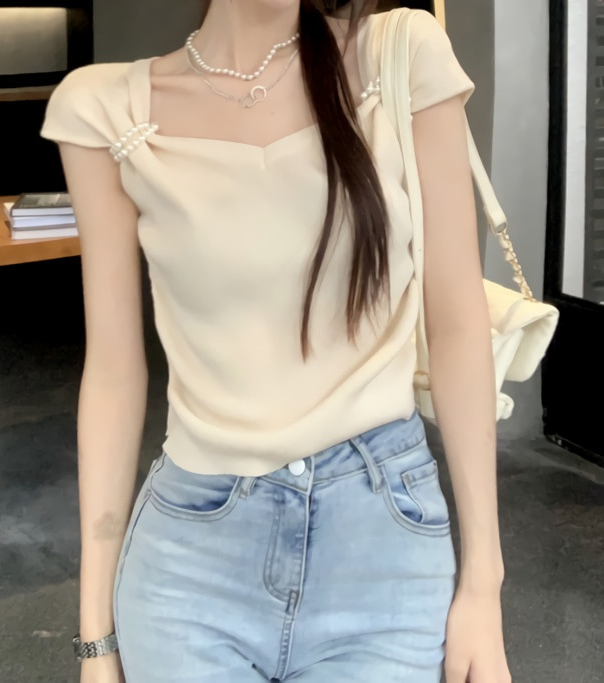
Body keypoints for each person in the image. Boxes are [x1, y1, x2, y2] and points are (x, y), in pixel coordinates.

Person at [40, 1, 512, 681]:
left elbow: (458, 323)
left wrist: (483, 584)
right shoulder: (106, 109)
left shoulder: (400, 54)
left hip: (382, 554)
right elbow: (114, 371)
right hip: (190, 564)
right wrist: (96, 640)